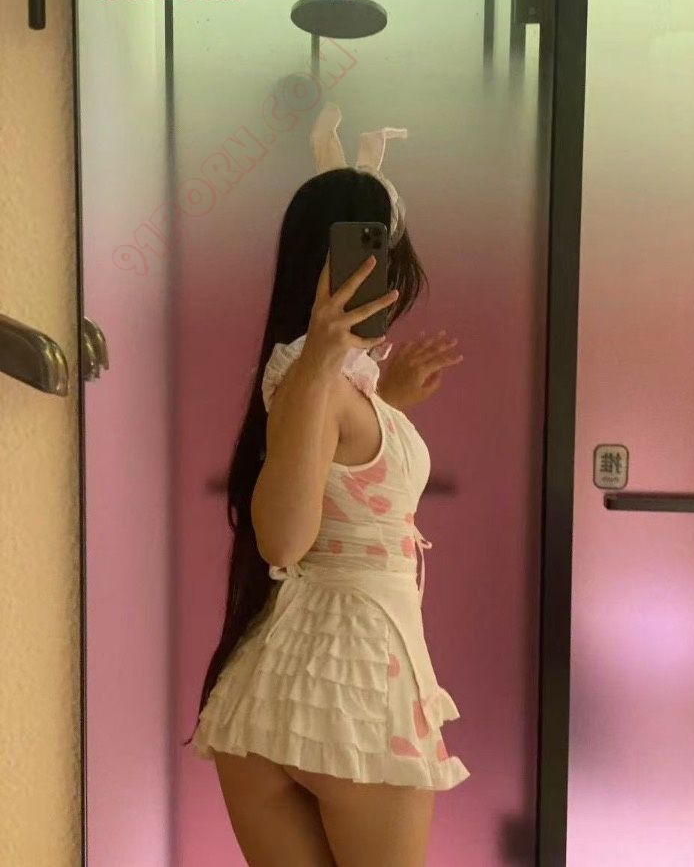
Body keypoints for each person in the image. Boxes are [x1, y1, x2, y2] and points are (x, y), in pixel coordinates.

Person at [186, 123, 469, 866]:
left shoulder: (317, 379)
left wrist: (385, 399)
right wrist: (324, 361)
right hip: (359, 689)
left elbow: (335, 479)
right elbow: (283, 540)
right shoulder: (310, 376)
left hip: (274, 689)